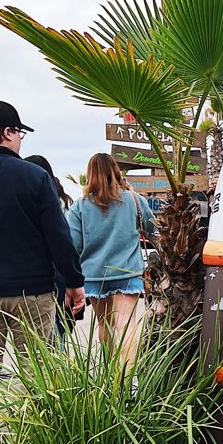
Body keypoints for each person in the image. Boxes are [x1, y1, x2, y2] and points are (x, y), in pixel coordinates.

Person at [0, 100, 84, 423]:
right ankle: (37, 440)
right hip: (32, 293)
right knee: (38, 371)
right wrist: (74, 282)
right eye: (19, 133)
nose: (20, 140)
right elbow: (58, 237)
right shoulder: (34, 177)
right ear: (8, 132)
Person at [68, 153, 155, 364]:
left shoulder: (80, 206)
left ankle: (108, 374)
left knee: (104, 324)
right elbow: (152, 228)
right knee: (127, 324)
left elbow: (74, 244)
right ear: (115, 171)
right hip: (127, 272)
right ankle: (128, 381)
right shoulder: (134, 200)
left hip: (95, 275)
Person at [24, 154, 81, 336]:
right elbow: (66, 238)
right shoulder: (64, 200)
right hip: (61, 269)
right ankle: (60, 360)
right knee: (61, 325)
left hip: (36, 272)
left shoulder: (29, 195)